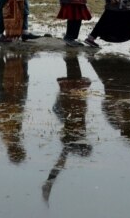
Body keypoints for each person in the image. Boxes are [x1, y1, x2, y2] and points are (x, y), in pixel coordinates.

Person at [41, 55, 91, 205]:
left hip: (70, 100)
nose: (85, 137)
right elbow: (60, 163)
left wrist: (50, 181)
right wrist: (49, 182)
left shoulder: (70, 137)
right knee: (74, 77)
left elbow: (60, 163)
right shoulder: (74, 132)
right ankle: (71, 58)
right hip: (72, 99)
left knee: (74, 78)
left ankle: (71, 58)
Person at [0, 51, 31, 163]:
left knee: (10, 80)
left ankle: (5, 59)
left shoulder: (10, 138)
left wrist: (16, 107)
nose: (22, 147)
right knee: (10, 80)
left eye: (21, 150)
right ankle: (2, 59)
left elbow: (9, 117)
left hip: (10, 102)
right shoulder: (9, 138)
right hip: (9, 104)